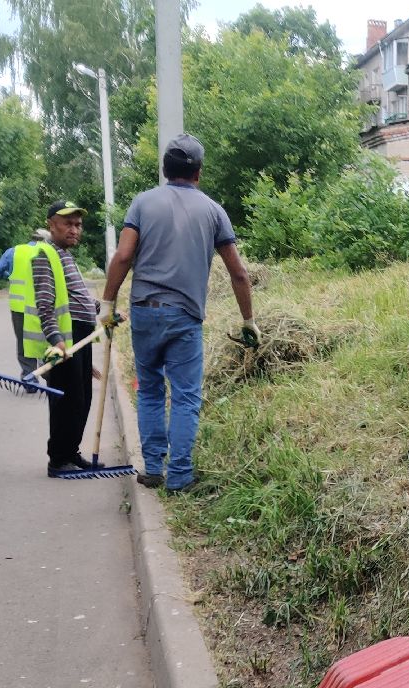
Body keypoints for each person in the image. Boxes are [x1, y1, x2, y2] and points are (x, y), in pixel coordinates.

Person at [100, 133, 258, 493]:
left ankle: (153, 468)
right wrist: (248, 320)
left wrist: (107, 304)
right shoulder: (214, 211)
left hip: (144, 311)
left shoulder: (142, 204)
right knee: (186, 394)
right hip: (185, 316)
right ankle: (181, 475)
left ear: (164, 170)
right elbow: (238, 273)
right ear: (198, 173)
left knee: (151, 390)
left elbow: (123, 256)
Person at [11, 199, 105, 477]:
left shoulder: (64, 255)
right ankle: (58, 459)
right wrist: (56, 339)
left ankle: (71, 452)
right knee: (67, 401)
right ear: (51, 224)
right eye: (68, 224)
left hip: (81, 334)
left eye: (78, 225)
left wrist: (95, 307)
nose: (74, 230)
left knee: (82, 398)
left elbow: (73, 296)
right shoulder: (45, 255)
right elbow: (45, 302)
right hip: (66, 338)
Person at [0, 228, 52, 377]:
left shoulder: (15, 251)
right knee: (48, 338)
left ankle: (29, 377)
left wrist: (8, 275)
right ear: (46, 240)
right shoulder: (51, 252)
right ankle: (48, 373)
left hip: (19, 308)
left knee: (24, 342)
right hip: (45, 306)